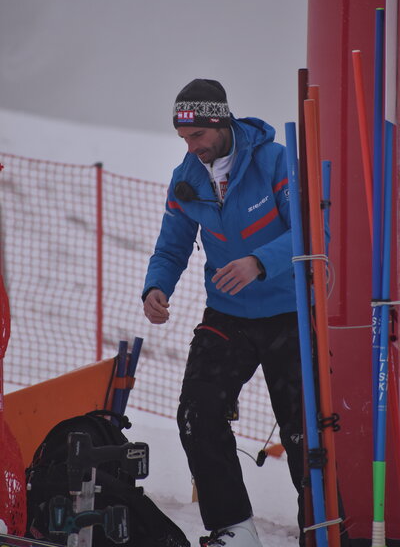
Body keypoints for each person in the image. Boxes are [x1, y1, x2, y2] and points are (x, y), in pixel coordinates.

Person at [142, 79, 310, 546]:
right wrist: (155, 287)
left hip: (287, 312)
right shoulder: (186, 180)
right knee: (195, 412)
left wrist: (259, 262)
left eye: (196, 136)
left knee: (302, 430)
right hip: (227, 313)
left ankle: (317, 528)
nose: (190, 147)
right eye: (182, 138)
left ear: (220, 121)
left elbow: (314, 234)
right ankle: (233, 528)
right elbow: (172, 246)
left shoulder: (276, 161)